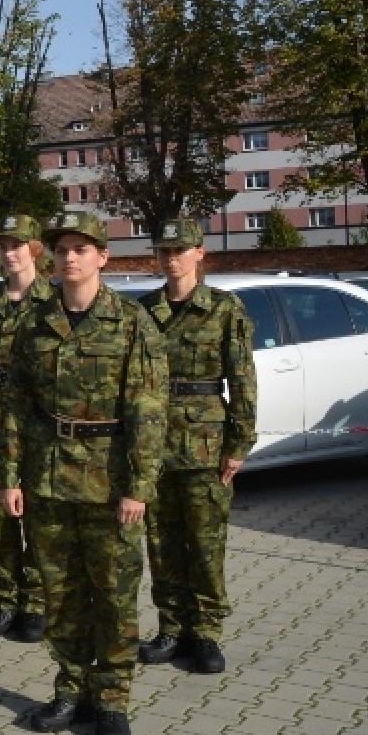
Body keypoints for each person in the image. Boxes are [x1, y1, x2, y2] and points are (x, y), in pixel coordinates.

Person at [2, 211, 168, 735]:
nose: (69, 257)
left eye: (80, 248)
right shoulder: (33, 323)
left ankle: (113, 699)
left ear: (102, 257)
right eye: (61, 249)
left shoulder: (133, 322)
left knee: (115, 598)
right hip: (49, 481)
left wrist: (138, 487)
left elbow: (148, 410)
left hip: (109, 483)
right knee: (61, 593)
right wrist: (11, 475)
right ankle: (71, 687)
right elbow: (15, 408)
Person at [137, 218, 257, 676]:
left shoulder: (224, 309)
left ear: (199, 253)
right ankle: (171, 627)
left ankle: (205, 632)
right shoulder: (145, 309)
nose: (173, 258)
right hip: (154, 443)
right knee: (162, 542)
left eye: (181, 250)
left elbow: (242, 380)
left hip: (206, 443)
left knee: (206, 544)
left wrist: (239, 442)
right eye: (166, 250)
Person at [0, 215, 53, 642]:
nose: (10, 253)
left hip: (37, 431)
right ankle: (7, 601)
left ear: (34, 248)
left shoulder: (54, 302)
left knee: (36, 522)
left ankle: (36, 604)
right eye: (3, 245)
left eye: (17, 244)